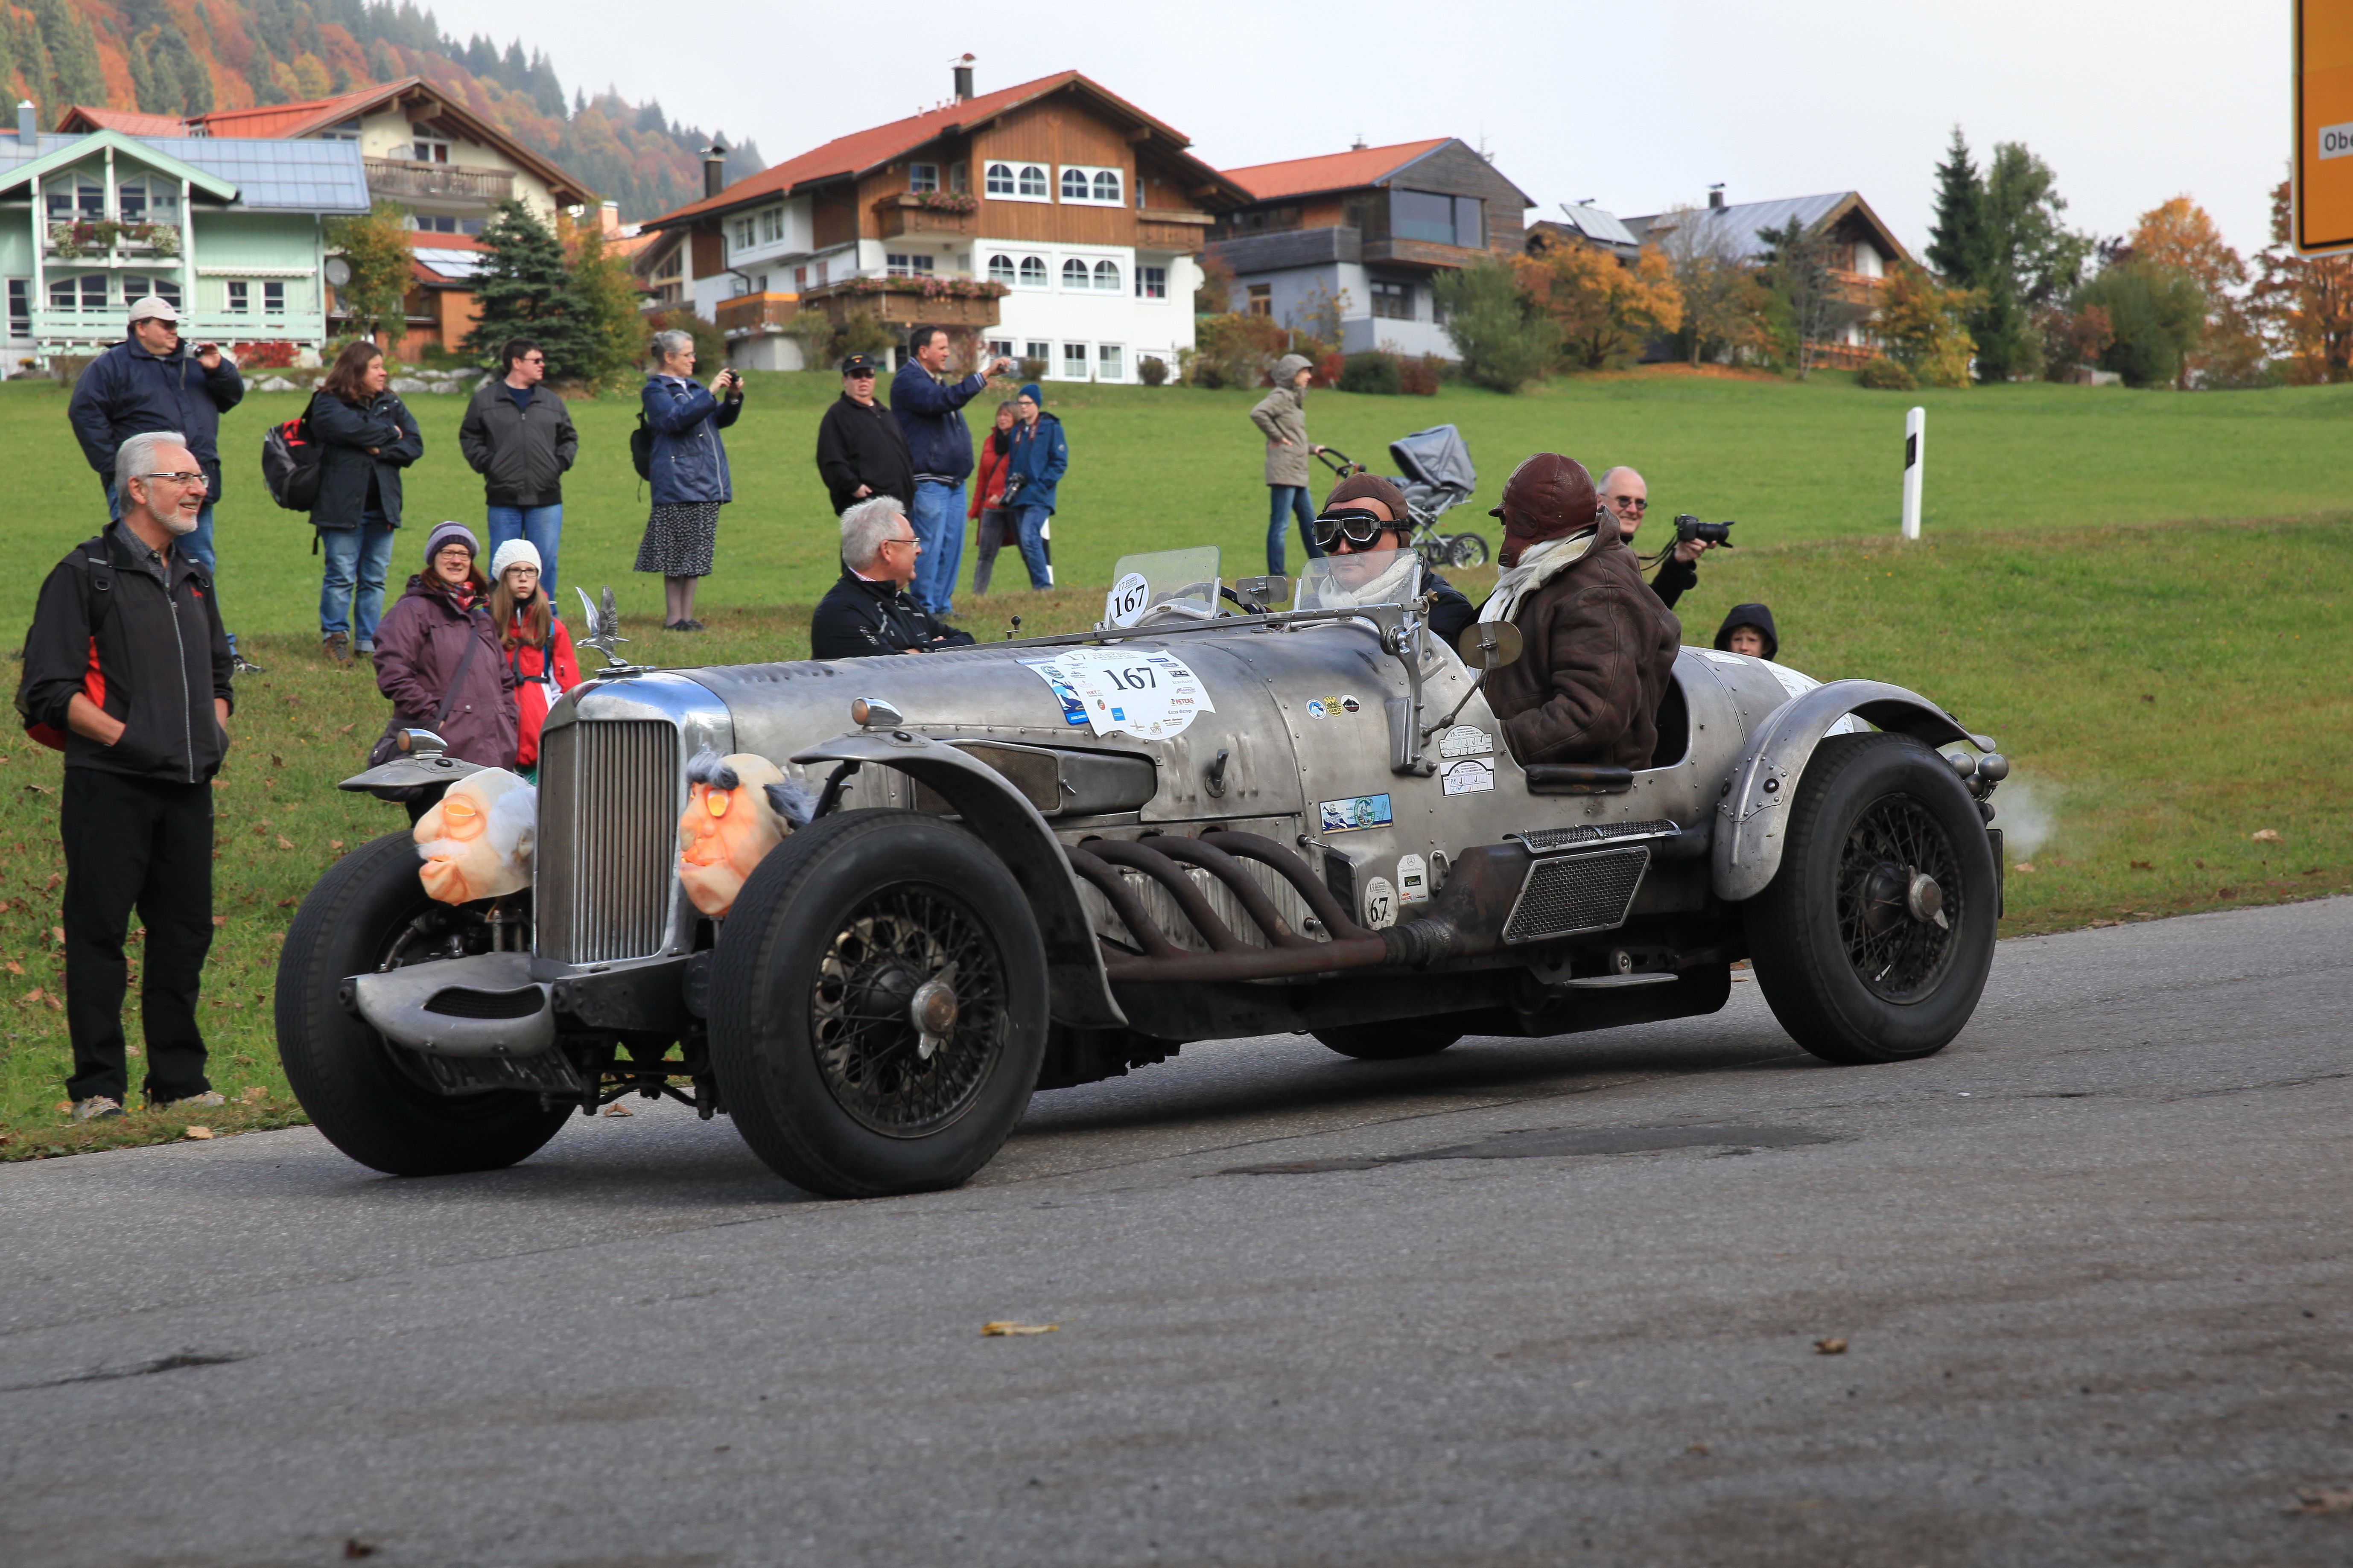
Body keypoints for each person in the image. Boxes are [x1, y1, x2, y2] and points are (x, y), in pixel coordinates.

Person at [23, 431, 234, 1121]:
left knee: (184, 933)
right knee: (98, 933)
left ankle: (177, 1079)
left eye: (200, 477)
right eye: (184, 476)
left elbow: (220, 675)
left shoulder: (194, 577)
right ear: (138, 488)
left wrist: (214, 730)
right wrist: (132, 738)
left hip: (188, 788)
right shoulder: (83, 573)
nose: (198, 487)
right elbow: (48, 690)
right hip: (108, 785)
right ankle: (99, 1088)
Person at [65, 294, 255, 670]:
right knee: (140, 564)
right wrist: (116, 468)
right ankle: (142, 646)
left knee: (199, 563)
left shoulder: (193, 363)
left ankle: (211, 649)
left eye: (175, 325)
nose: (173, 332)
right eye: (165, 325)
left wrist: (219, 368)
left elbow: (231, 397)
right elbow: (84, 413)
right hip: (143, 489)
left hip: (194, 486)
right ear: (140, 327)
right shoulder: (112, 366)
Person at [1477, 454, 1680, 768]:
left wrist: (1492, 744)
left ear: (1527, 524)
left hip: (1577, 790)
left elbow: (1594, 714)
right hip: (1530, 777)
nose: (1504, 531)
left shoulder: (1598, 593)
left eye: (1508, 520)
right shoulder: (1547, 574)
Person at [373, 523, 518, 822]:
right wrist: (433, 720)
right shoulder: (412, 611)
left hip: (491, 758)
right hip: (440, 759)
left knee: (487, 850)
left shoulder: (482, 621)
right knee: (441, 850)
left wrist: (508, 724)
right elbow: (392, 671)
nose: (456, 560)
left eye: (464, 554)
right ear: (433, 559)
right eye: (448, 552)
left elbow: (504, 682)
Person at [308, 340, 423, 666]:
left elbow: (414, 445)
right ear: (356, 370)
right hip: (340, 506)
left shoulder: (390, 402)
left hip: (383, 506)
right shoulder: (328, 403)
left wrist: (377, 448)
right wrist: (390, 434)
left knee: (374, 577)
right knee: (341, 575)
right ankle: (335, 637)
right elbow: (342, 427)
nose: (384, 373)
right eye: (376, 367)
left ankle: (369, 642)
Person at [892, 326, 1015, 617]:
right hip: (929, 481)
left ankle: (942, 606)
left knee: (951, 548)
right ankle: (924, 608)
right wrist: (984, 376)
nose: (948, 353)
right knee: (930, 548)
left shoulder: (935, 381)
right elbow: (943, 402)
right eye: (942, 347)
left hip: (953, 482)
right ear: (924, 352)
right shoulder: (909, 381)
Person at [634, 329, 743, 632]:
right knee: (676, 553)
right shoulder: (656, 391)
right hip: (677, 481)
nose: (693, 360)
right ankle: (674, 618)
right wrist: (709, 393)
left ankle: (688, 616)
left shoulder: (693, 387)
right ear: (669, 358)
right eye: (687, 355)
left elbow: (718, 420)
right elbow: (674, 420)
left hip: (706, 480)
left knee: (697, 554)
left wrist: (732, 399)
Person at [460, 337, 578, 598]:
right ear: (516, 363)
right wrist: (489, 465)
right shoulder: (485, 401)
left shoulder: (552, 402)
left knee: (545, 565)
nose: (542, 365)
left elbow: (569, 438)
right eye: (536, 360)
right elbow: (470, 437)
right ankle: (501, 623)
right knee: (503, 565)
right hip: (504, 498)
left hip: (546, 497)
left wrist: (557, 465)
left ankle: (545, 624)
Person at [1307, 473, 1475, 647]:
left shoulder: (1440, 610)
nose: (1343, 548)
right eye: (1329, 534)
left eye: (1361, 532)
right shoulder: (1311, 608)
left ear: (1399, 538)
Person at [809, 497, 980, 659]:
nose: (919, 550)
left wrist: (920, 651)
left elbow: (966, 642)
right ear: (887, 550)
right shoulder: (840, 613)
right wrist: (933, 651)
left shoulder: (905, 603)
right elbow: (888, 671)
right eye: (913, 542)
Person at [488, 539, 580, 778]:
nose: (523, 578)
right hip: (493, 738)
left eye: (530, 571)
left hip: (540, 742)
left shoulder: (552, 629)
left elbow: (567, 692)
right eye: (515, 570)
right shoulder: (484, 627)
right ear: (502, 576)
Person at [1598, 465, 1713, 609]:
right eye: (1624, 500)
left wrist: (1677, 562)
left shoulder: (1612, 549)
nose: (1633, 510)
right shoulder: (1597, 554)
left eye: (1640, 503)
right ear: (1599, 501)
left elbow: (1648, 614)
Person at [1251, 353, 1325, 575]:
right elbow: (1258, 413)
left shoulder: (1293, 399)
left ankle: (1322, 568)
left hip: (1297, 471)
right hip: (1284, 471)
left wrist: (1314, 449)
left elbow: (1293, 437)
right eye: (1305, 372)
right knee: (1281, 525)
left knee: (1310, 524)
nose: (1309, 377)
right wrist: (1275, 437)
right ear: (1291, 374)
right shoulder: (1281, 396)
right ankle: (1277, 575)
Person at [815, 353, 914, 517]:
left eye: (869, 375)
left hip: (901, 505)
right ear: (845, 380)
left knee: (903, 543)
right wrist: (853, 486)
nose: (864, 380)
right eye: (856, 375)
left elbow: (905, 454)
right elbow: (830, 460)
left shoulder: (885, 413)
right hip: (866, 508)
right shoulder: (838, 415)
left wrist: (911, 485)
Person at [999, 383, 1065, 591]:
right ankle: (1039, 586)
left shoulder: (1051, 427)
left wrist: (1042, 484)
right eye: (1020, 404)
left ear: (1037, 404)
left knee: (1029, 538)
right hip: (1019, 496)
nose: (1023, 408)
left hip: (1039, 496)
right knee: (1026, 544)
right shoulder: (1018, 430)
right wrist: (1010, 485)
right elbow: (1011, 463)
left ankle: (1044, 587)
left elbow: (1060, 462)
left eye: (1027, 403)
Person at [968, 401, 1018, 596]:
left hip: (1015, 505)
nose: (1002, 419)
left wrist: (1006, 495)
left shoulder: (1021, 442)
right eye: (1000, 415)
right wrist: (974, 509)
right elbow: (982, 477)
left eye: (1007, 415)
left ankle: (1042, 590)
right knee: (985, 555)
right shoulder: (990, 441)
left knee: (1029, 549)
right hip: (990, 506)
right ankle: (978, 594)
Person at [1714, 603, 1779, 661]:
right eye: (1737, 640)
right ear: (1728, 645)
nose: (1744, 647)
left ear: (1766, 647)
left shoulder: (1772, 674)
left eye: (1752, 640)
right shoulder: (1715, 673)